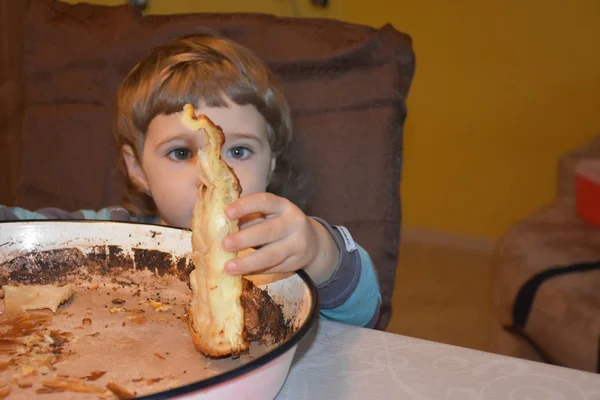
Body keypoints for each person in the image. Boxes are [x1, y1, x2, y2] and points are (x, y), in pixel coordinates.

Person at [0, 32, 381, 328]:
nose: (211, 176)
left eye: (238, 151)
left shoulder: (277, 251)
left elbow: (366, 315)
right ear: (137, 169)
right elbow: (26, 234)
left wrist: (318, 251)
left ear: (271, 163)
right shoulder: (114, 236)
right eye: (181, 153)